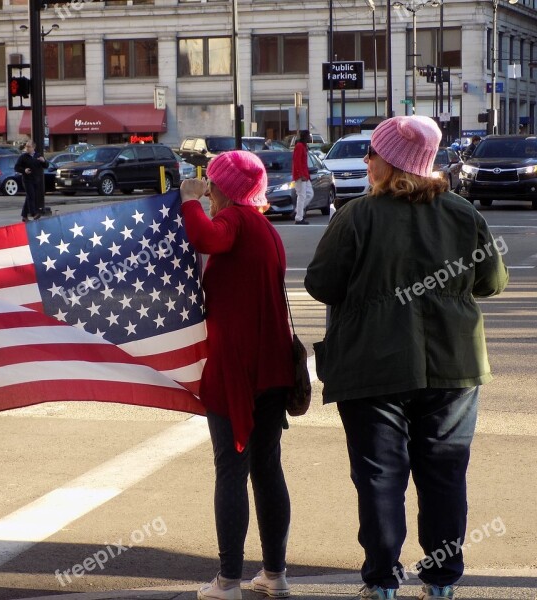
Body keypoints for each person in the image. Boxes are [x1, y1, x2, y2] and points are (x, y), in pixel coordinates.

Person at [304, 116, 509, 600]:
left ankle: (382, 580)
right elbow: (492, 283)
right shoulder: (463, 213)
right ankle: (440, 582)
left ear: (386, 161)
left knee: (379, 476)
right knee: (444, 473)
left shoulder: (356, 216)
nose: (367, 162)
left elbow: (320, 284)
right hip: (452, 365)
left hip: (372, 365)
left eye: (371, 153)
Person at [179, 151, 295, 600]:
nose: (208, 191)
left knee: (230, 470)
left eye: (211, 185)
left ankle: (227, 580)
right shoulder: (266, 228)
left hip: (237, 368)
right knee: (268, 469)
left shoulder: (237, 222)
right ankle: (275, 573)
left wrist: (187, 200)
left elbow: (204, 237)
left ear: (226, 188)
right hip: (273, 367)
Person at [15, 139, 47, 222]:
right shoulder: (23, 157)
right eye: (26, 147)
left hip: (36, 180)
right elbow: (17, 167)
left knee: (29, 197)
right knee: (31, 196)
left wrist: (43, 161)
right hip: (27, 180)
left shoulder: (38, 156)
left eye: (29, 147)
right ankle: (33, 213)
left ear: (33, 147)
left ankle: (24, 216)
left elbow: (46, 165)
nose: (27, 148)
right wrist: (24, 170)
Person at [292, 130, 314, 225]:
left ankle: (298, 211)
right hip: (301, 176)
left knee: (309, 194)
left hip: (305, 175)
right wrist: (300, 174)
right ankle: (299, 217)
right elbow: (297, 161)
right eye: (309, 135)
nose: (310, 137)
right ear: (305, 136)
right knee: (302, 195)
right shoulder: (299, 146)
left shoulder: (304, 146)